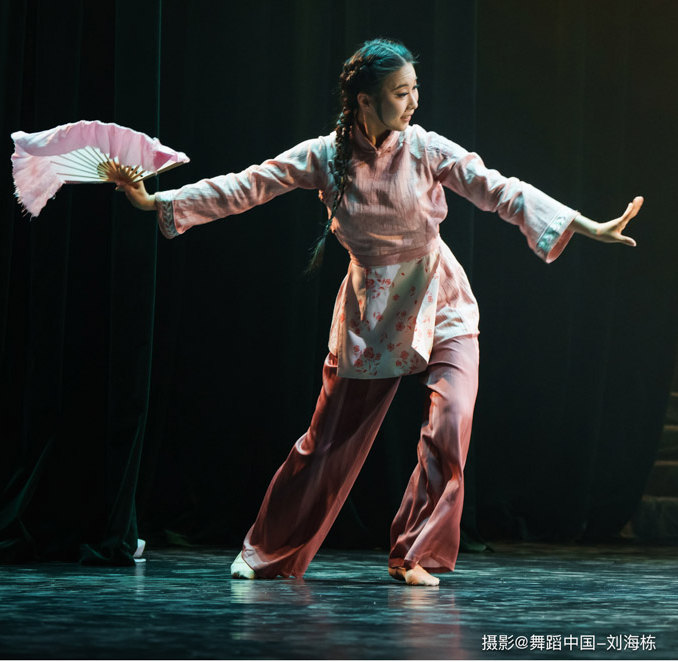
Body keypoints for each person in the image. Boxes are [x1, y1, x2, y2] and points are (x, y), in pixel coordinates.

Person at [117, 38, 643, 586]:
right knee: (328, 443)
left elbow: (498, 189)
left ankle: (414, 554)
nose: (413, 101)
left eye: (415, 89)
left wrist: (584, 224)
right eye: (400, 92)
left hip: (440, 298)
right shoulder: (324, 156)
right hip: (373, 314)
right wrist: (159, 201)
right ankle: (267, 550)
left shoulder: (426, 148)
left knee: (452, 420)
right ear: (366, 100)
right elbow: (249, 185)